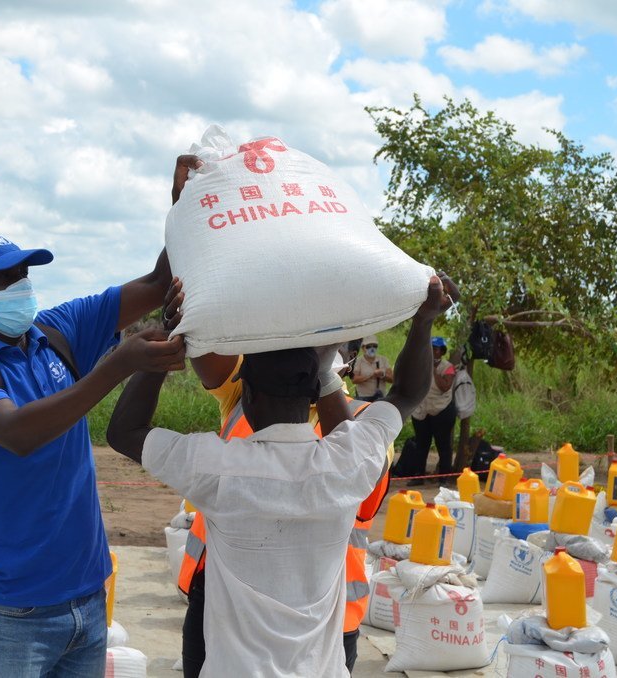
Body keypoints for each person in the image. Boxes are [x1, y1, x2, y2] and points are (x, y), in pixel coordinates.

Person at [107, 275, 458, 676]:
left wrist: (172, 336)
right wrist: (424, 318)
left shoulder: (219, 468)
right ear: (314, 395)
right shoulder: (349, 461)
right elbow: (409, 393)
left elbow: (124, 432)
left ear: (249, 396)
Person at [0, 165, 191, 675]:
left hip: (88, 594)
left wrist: (185, 203)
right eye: (3, 277)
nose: (20, 284)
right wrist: (119, 365)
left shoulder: (59, 331)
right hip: (11, 608)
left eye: (23, 273)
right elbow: (18, 432)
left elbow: (157, 283)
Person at [397, 336, 457, 485]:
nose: (433, 352)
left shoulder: (447, 367)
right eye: (431, 348)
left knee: (443, 445)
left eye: (436, 349)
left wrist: (433, 369)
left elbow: (445, 387)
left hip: (441, 410)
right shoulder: (418, 364)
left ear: (442, 351)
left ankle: (444, 478)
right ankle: (419, 476)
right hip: (421, 410)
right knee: (421, 444)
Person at [349, 335, 393, 402]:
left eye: (374, 346)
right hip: (362, 398)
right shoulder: (358, 361)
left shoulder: (383, 360)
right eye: (369, 346)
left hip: (380, 397)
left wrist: (383, 375)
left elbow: (392, 379)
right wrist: (371, 375)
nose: (372, 349)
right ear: (363, 348)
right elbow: (354, 380)